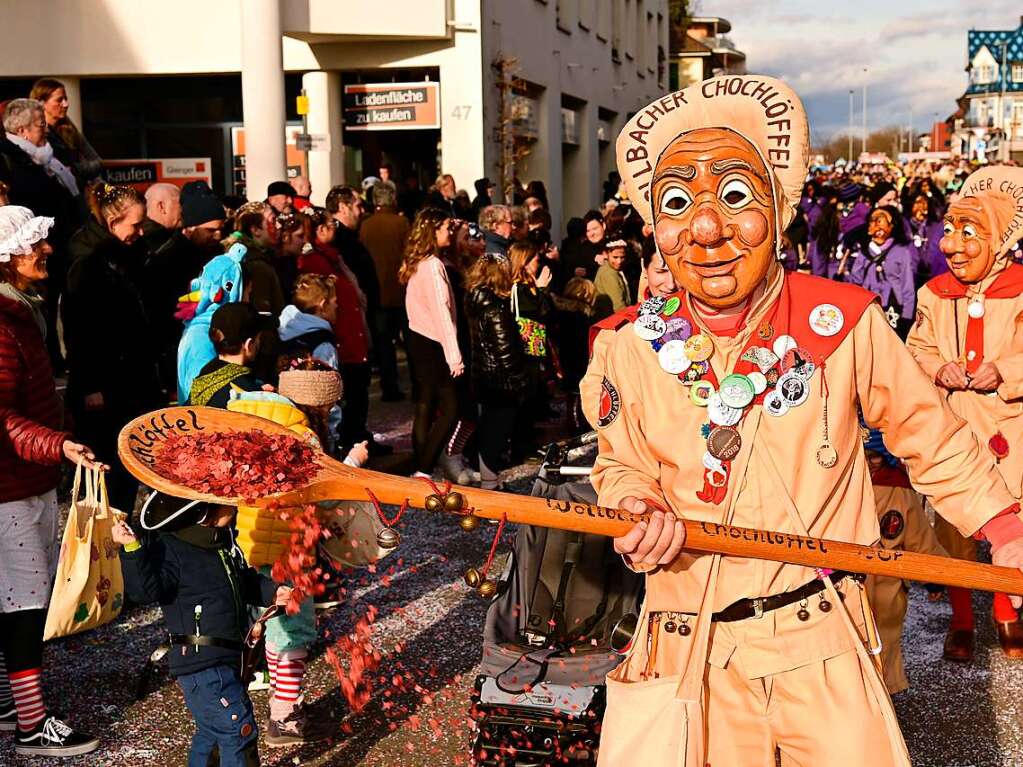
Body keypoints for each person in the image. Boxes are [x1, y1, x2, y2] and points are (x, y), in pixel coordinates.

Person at [586, 74, 1023, 767]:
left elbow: (927, 433)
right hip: (690, 644)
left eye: (733, 196)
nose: (706, 229)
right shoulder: (628, 345)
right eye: (677, 203)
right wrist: (633, 506)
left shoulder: (843, 321)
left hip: (818, 639)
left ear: (778, 207)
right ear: (654, 225)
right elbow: (620, 461)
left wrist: (1003, 528)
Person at [907, 165, 1023, 662]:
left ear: (997, 239)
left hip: (1011, 428)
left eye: (967, 234)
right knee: (954, 527)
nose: (951, 247)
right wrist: (938, 369)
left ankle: (1005, 611)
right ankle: (960, 618)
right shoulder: (934, 294)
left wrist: (1007, 371)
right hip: (957, 427)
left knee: (1012, 522)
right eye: (948, 233)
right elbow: (915, 347)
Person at [0, 205, 102, 757]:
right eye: (34, 243)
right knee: (23, 604)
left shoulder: (18, 311)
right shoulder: (2, 320)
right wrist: (57, 444)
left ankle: (10, 707)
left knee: (10, 600)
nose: (46, 250)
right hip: (9, 486)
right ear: (8, 256)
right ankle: (33, 725)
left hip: (20, 479)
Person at [112, 495, 290, 767]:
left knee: (212, 734)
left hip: (227, 658)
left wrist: (272, 592)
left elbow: (242, 580)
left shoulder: (220, 544)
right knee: (237, 729)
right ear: (204, 512)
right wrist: (132, 548)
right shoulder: (172, 548)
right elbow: (144, 590)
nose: (233, 505)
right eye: (224, 502)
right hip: (201, 663)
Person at [64, 183, 162, 512]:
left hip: (127, 379)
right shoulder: (88, 265)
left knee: (125, 469)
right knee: (107, 472)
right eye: (135, 224)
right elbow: (79, 329)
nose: (140, 231)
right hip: (104, 387)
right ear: (113, 222)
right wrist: (90, 385)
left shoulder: (123, 258)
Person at [862, 429, 947, 693]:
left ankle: (874, 697)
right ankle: (882, 692)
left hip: (875, 584)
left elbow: (919, 538)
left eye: (876, 456)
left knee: (875, 642)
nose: (870, 462)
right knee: (881, 642)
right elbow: (921, 539)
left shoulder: (896, 491)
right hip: (875, 585)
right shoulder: (898, 490)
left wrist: (933, 579)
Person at [0, 98, 81, 364]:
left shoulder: (46, 156)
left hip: (46, 243)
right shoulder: (10, 160)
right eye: (39, 124)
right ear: (22, 130)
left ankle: (54, 359)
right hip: (23, 244)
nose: (45, 130)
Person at [142, 181, 224, 396]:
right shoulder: (169, 259)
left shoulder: (212, 255)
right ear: (191, 227)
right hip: (177, 351)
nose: (217, 236)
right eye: (210, 230)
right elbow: (165, 313)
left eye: (220, 230)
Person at [401, 208, 464, 478]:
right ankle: (424, 469)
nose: (450, 232)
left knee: (425, 405)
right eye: (446, 227)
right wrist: (455, 357)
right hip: (435, 342)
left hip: (418, 339)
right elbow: (442, 312)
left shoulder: (416, 263)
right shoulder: (433, 266)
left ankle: (421, 462)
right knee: (451, 409)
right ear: (433, 230)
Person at [464, 253, 529, 490]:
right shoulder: (495, 309)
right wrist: (521, 381)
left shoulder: (475, 301)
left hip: (484, 376)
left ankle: (490, 481)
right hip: (500, 380)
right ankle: (490, 486)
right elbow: (505, 351)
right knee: (495, 434)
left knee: (490, 432)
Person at [359, 181, 411, 401]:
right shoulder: (402, 223)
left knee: (384, 344)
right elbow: (410, 254)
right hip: (401, 291)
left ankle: (389, 387)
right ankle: (418, 386)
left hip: (377, 293)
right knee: (409, 342)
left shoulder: (366, 225)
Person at [846, 204, 916, 337]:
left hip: (893, 309)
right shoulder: (865, 252)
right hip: (868, 306)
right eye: (873, 221)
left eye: (881, 221)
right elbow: (856, 280)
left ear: (892, 226)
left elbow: (908, 287)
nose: (877, 228)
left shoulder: (902, 252)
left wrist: (906, 317)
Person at [186, 302, 265, 408]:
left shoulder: (206, 373)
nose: (260, 342)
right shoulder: (246, 394)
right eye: (259, 338)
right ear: (248, 345)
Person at [28, 78, 101, 184]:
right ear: (42, 103)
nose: (66, 104)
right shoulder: (33, 133)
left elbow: (96, 161)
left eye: (66, 99)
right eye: (59, 100)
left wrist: (75, 169)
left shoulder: (68, 127)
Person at [553, 276, 597, 433]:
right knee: (577, 394)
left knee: (572, 395)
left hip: (566, 359)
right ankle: (577, 423)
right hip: (577, 360)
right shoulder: (580, 317)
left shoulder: (562, 313)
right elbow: (581, 342)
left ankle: (574, 422)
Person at [229, 201, 284, 316]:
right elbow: (262, 311)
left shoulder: (260, 257)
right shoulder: (256, 265)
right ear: (255, 230)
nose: (279, 225)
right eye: (273, 220)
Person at [592, 239, 630, 319]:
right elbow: (618, 306)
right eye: (615, 257)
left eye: (622, 257)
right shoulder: (608, 273)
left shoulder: (614, 270)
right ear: (605, 254)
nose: (619, 261)